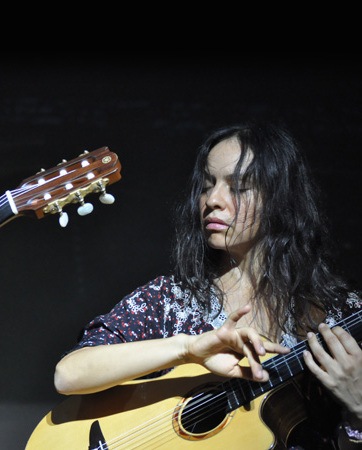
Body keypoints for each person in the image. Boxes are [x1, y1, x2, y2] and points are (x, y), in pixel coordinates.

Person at [54, 123, 362, 449]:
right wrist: (189, 349)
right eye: (207, 185)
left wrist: (359, 408)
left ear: (280, 200)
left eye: (239, 187)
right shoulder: (170, 300)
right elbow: (69, 374)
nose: (212, 199)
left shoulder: (341, 313)